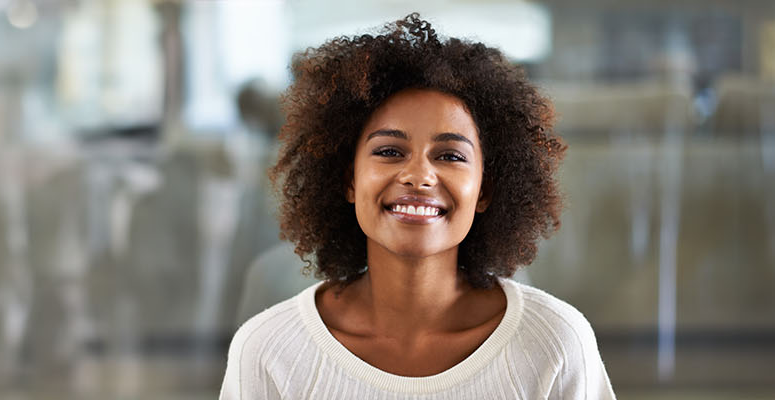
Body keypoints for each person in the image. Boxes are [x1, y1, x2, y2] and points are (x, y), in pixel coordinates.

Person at [220, 13, 614, 399]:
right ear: (349, 181)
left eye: (450, 156)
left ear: (485, 191)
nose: (419, 175)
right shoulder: (268, 352)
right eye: (390, 151)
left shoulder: (555, 345)